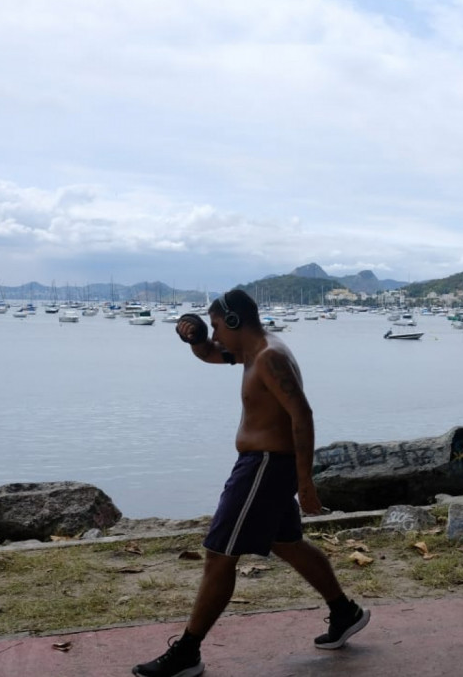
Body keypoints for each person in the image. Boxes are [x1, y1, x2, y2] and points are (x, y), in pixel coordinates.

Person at [133, 289, 369, 677]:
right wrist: (194, 339)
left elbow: (302, 415)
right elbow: (210, 354)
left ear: (235, 321)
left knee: (218, 556)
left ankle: (187, 653)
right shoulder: (256, 349)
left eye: (215, 326)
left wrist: (305, 481)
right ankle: (345, 612)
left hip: (263, 467)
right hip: (265, 465)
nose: (215, 334)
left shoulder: (269, 357)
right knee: (287, 543)